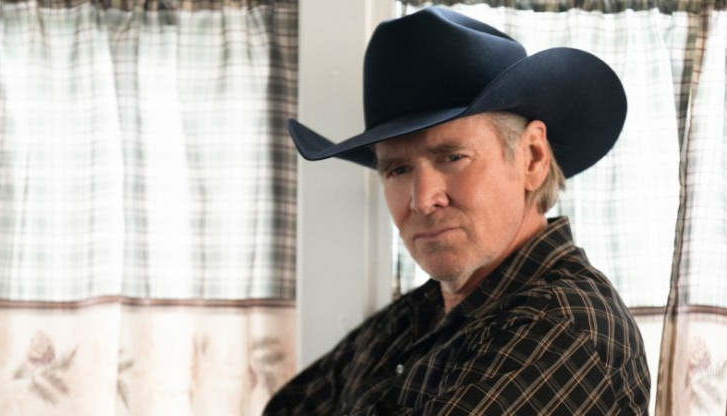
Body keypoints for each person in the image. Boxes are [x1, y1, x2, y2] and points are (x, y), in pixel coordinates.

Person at [264, 6, 650, 415]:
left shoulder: (566, 326)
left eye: (452, 157)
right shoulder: (416, 316)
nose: (422, 199)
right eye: (397, 169)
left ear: (532, 157)